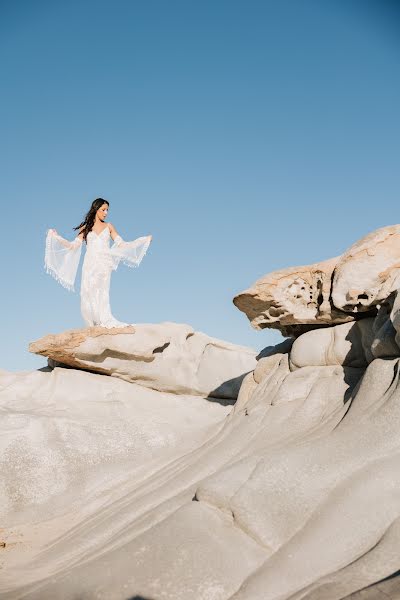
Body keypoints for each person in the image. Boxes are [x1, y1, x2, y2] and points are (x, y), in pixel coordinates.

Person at [44, 197, 152, 328]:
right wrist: (57, 237)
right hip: (89, 264)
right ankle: (92, 323)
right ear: (96, 209)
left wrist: (142, 241)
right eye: (103, 209)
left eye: (107, 210)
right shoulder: (86, 227)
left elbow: (121, 244)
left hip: (104, 264)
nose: (106, 213)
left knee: (102, 292)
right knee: (88, 292)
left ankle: (103, 320)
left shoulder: (109, 226)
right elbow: (73, 246)